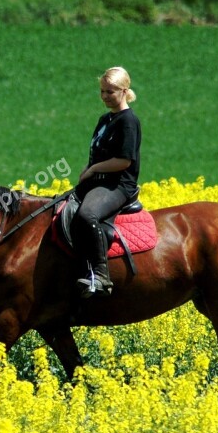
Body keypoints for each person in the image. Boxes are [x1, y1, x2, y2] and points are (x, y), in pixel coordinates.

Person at [73, 66, 141, 298]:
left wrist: (93, 169)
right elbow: (98, 153)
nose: (104, 96)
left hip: (118, 185)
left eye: (110, 92)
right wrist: (88, 168)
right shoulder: (105, 119)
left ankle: (100, 275)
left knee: (87, 215)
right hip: (98, 181)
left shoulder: (128, 121)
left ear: (124, 91)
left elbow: (123, 161)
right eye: (102, 91)